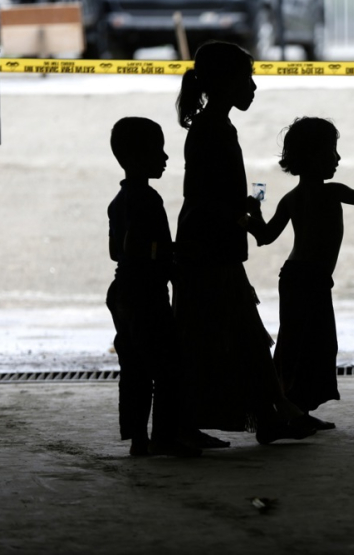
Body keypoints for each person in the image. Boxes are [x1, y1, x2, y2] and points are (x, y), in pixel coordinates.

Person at [173, 41, 314, 444]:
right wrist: (243, 214)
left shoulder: (212, 126)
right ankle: (271, 412)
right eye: (246, 79)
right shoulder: (213, 129)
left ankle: (267, 414)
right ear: (225, 83)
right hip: (210, 249)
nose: (253, 88)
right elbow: (205, 198)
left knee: (227, 334)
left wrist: (242, 210)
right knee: (236, 335)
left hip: (209, 245)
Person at [247, 117, 354, 430]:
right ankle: (288, 411)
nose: (338, 159)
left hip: (294, 277)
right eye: (332, 152)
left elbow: (264, 237)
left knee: (298, 344)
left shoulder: (289, 199)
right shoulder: (332, 192)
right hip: (310, 280)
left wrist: (254, 214)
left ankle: (296, 410)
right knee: (313, 346)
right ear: (313, 157)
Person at [106, 117, 200, 457]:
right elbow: (144, 249)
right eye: (157, 150)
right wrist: (170, 261)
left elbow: (117, 251)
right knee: (169, 367)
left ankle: (138, 439)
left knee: (134, 369)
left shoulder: (118, 201)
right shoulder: (147, 199)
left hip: (122, 290)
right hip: (146, 292)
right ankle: (164, 436)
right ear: (135, 156)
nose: (165, 158)